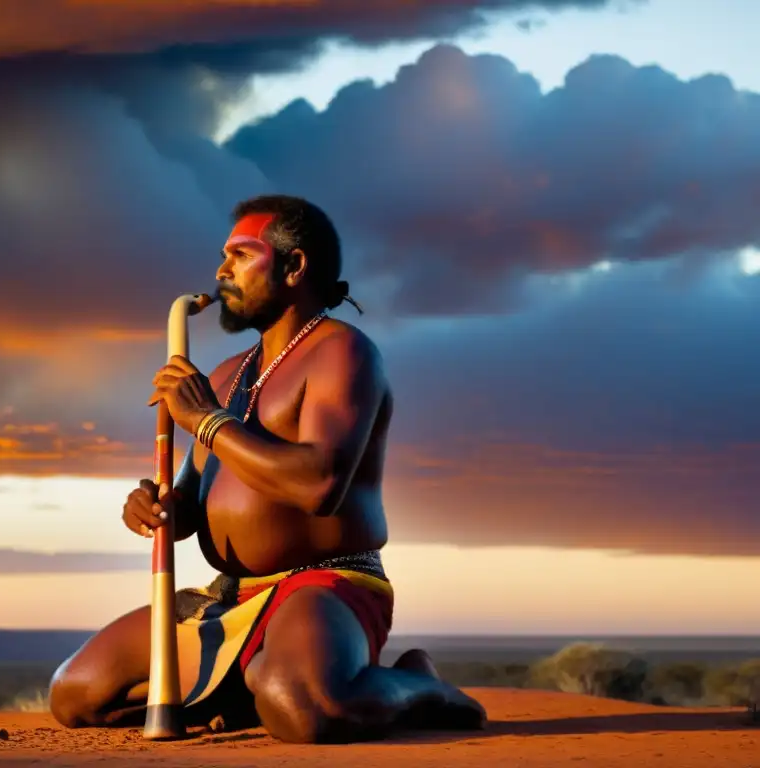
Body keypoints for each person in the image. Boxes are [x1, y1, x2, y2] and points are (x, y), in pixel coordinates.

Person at [48, 194, 486, 743]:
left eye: (239, 255)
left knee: (305, 707)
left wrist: (207, 420)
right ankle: (249, 686)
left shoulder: (343, 354)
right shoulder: (229, 373)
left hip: (323, 587)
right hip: (230, 598)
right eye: (223, 257)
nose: (220, 271)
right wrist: (158, 506)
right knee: (75, 692)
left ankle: (420, 685)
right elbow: (191, 500)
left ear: (294, 266)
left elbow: (318, 484)